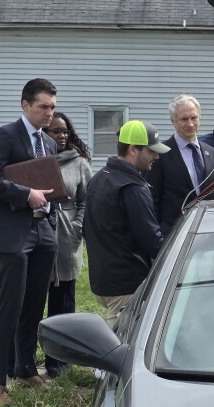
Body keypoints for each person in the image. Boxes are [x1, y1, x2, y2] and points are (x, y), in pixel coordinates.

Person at [0, 78, 58, 404]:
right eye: (43, 107)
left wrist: (50, 206)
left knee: (34, 306)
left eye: (52, 107)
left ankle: (25, 369)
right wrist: (26, 195)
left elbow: (48, 183)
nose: (49, 113)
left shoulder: (49, 143)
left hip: (43, 232)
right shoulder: (6, 136)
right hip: (12, 233)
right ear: (25, 105)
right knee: (9, 307)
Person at [84, 120, 170, 328]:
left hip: (103, 280)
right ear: (133, 149)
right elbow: (152, 240)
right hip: (127, 285)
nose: (156, 157)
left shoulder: (99, 178)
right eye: (151, 151)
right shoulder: (132, 187)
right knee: (122, 349)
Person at [42, 111, 92, 377]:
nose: (62, 136)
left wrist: (77, 228)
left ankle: (58, 363)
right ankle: (23, 361)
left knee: (63, 305)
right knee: (33, 302)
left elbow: (86, 199)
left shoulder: (79, 163)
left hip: (67, 237)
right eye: (55, 131)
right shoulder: (36, 160)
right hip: (40, 235)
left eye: (65, 132)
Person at [145, 95, 214, 234]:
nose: (190, 124)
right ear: (173, 121)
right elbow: (151, 200)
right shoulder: (159, 154)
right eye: (184, 119)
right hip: (173, 234)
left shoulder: (212, 153)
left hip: (207, 232)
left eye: (194, 118)